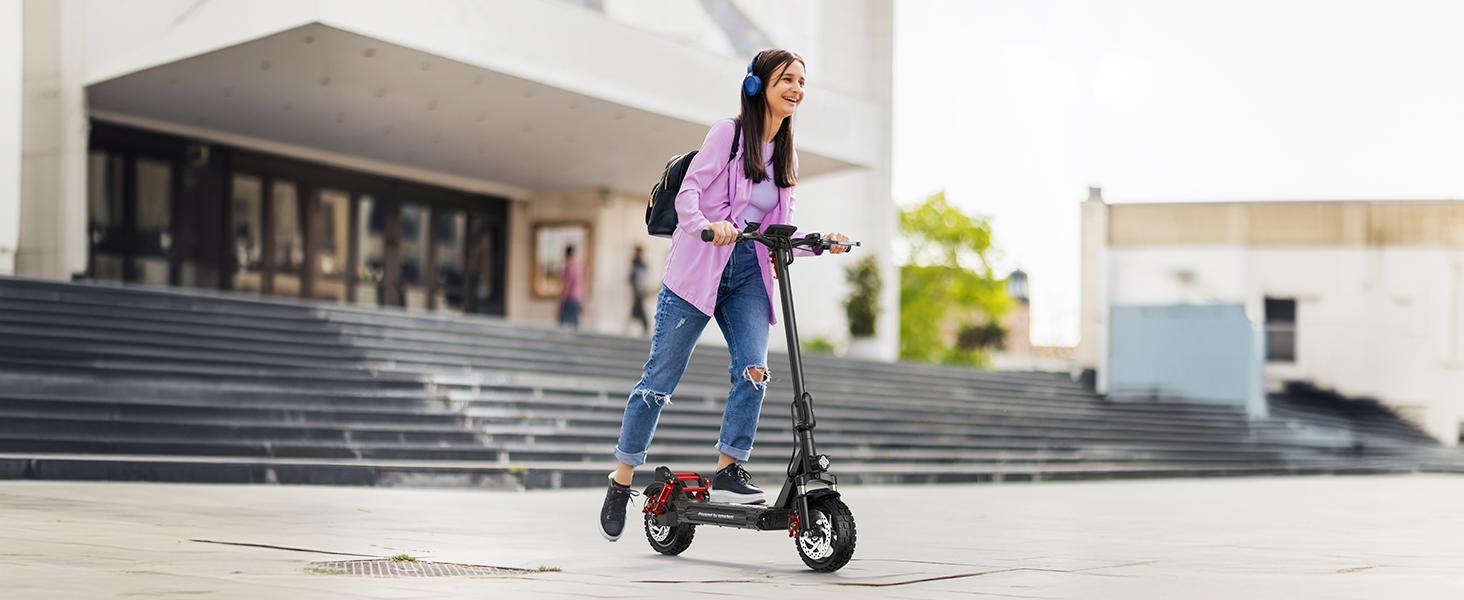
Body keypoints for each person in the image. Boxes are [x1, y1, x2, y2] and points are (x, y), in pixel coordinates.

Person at [598, 49, 850, 541]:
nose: (797, 89)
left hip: (749, 273)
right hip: (697, 269)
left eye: (802, 82)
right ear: (758, 85)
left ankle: (729, 468)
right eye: (787, 79)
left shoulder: (787, 155)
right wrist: (705, 226)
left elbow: (778, 229)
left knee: (754, 370)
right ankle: (621, 481)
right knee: (657, 383)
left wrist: (820, 243)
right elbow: (689, 193)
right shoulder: (727, 134)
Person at [557, 245, 584, 330]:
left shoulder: (569, 267)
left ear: (567, 255)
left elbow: (567, 285)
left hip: (569, 298)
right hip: (578, 298)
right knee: (575, 325)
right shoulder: (579, 267)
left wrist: (562, 300)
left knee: (561, 323)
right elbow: (582, 284)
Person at [627, 245, 651, 337]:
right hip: (637, 288)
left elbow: (641, 276)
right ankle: (644, 326)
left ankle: (644, 326)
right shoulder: (635, 262)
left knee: (638, 308)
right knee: (637, 307)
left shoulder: (640, 263)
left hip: (640, 288)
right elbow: (632, 277)